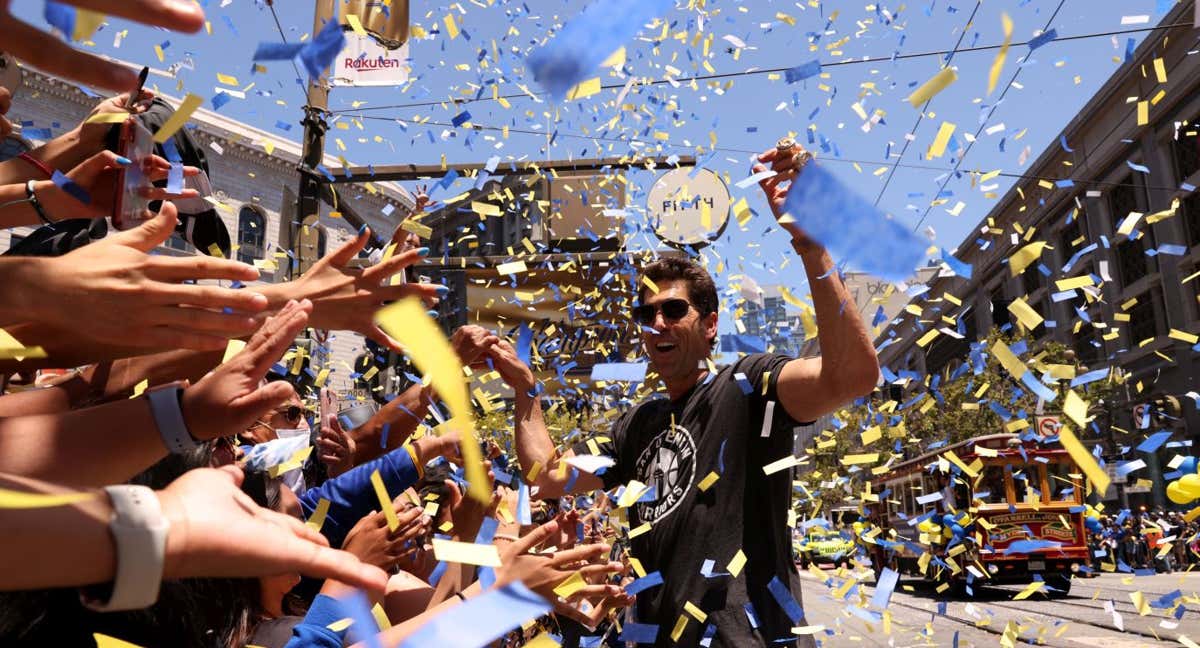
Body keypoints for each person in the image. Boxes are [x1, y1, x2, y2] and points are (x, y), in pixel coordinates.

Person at [479, 143, 880, 646]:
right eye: (646, 316)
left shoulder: (747, 386)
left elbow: (852, 378)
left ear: (710, 324)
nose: (657, 325)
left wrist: (810, 244)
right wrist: (525, 392)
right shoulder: (637, 426)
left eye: (673, 311)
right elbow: (548, 476)